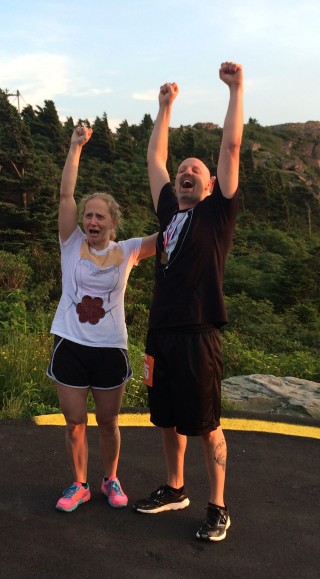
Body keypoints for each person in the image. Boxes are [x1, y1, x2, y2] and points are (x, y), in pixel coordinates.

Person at [133, 62, 244, 542]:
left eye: (194, 170)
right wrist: (164, 109)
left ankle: (217, 506)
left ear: (212, 184)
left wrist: (236, 89)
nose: (184, 173)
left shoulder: (218, 213)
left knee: (205, 423)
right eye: (182, 170)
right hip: (162, 332)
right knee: (167, 416)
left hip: (200, 333)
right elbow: (155, 160)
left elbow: (231, 146)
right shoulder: (167, 211)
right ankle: (175, 487)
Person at [47, 125, 157, 512]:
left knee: (108, 421)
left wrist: (198, 204)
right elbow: (65, 194)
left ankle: (110, 478)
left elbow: (170, 234)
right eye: (88, 215)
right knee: (75, 420)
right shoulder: (71, 242)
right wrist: (75, 147)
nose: (92, 221)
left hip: (110, 346)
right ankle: (79, 484)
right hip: (71, 343)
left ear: (113, 222)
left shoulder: (127, 251)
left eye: (100, 216)